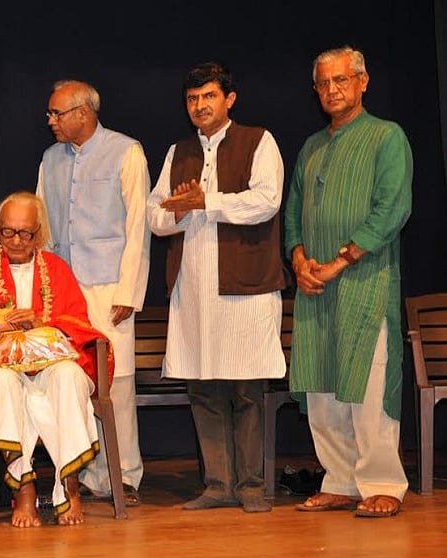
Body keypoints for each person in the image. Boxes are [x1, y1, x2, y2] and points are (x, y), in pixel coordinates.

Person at [146, 62, 287, 513]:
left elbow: (266, 201)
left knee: (246, 389)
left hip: (245, 288)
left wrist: (208, 201)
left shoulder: (258, 141)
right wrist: (180, 212)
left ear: (229, 99)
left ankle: (250, 486)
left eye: (208, 96)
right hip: (195, 289)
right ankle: (217, 484)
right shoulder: (177, 151)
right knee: (204, 389)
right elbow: (154, 215)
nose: (200, 105)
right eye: (192, 99)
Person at [0, 191, 112, 527]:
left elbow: (81, 327)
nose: (15, 241)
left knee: (69, 377)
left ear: (39, 234)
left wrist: (41, 325)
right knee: (1, 383)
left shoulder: (57, 271)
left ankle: (69, 486)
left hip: (50, 366)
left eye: (25, 233)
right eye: (7, 232)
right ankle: (24, 490)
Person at [284, 46, 412, 518]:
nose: (332, 90)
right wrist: (298, 260)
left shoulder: (386, 137)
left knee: (369, 386)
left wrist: (341, 261)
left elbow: (393, 209)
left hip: (364, 285)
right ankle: (339, 480)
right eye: (323, 83)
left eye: (341, 80)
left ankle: (382, 483)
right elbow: (294, 212)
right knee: (322, 389)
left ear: (363, 82)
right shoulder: (312, 147)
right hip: (315, 287)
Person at [36, 80, 150, 507]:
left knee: (115, 384)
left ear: (84, 113)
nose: (51, 121)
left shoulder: (126, 151)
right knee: (70, 381)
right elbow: (42, 228)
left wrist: (129, 290)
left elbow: (138, 224)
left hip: (110, 288)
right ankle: (83, 472)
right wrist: (45, 290)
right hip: (65, 290)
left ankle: (124, 475)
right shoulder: (50, 159)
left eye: (57, 113)